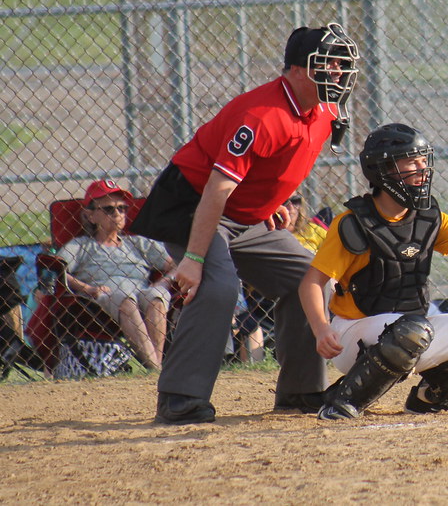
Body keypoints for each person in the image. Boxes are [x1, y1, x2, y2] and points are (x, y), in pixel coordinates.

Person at [130, 23, 360, 425]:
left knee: (308, 278)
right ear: (297, 70)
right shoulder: (260, 115)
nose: (338, 71)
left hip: (244, 214)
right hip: (193, 205)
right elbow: (216, 190)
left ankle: (301, 391)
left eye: (341, 64)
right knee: (217, 286)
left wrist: (270, 199)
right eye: (327, 64)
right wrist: (193, 259)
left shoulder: (324, 108)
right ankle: (180, 398)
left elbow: (282, 160)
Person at [298, 123, 448, 419]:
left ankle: (432, 396)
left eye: (424, 160)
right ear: (382, 169)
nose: (423, 169)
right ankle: (343, 401)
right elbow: (312, 283)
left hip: (412, 329)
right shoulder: (353, 223)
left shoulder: (426, 217)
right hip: (354, 334)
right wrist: (321, 329)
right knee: (412, 330)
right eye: (412, 161)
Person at [53, 179, 174, 370]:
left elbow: (178, 265)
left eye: (122, 208)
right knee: (125, 300)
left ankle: (157, 365)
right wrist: (88, 288)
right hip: (104, 298)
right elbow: (56, 270)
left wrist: (163, 283)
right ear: (91, 216)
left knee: (156, 296)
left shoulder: (138, 243)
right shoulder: (81, 245)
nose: (117, 214)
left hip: (141, 294)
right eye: (109, 209)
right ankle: (155, 368)